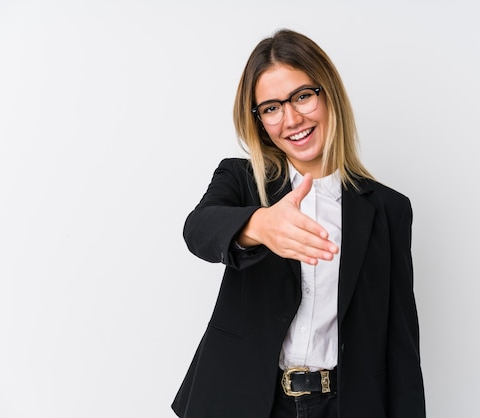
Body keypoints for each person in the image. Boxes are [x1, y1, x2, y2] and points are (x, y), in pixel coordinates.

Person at [172, 29, 425, 418]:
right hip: (248, 401)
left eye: (302, 96)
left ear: (328, 94)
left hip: (345, 405)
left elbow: (401, 345)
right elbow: (198, 229)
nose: (291, 119)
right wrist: (259, 225)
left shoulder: (388, 210)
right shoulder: (242, 180)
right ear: (258, 120)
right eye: (271, 108)